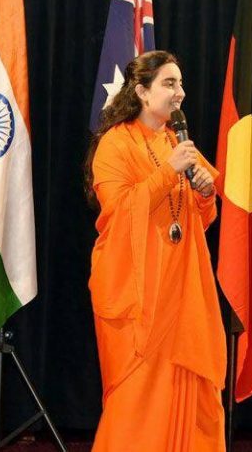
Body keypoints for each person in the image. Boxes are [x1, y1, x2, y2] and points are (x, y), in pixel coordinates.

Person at [84, 50, 226, 451]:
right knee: (137, 400)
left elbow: (200, 216)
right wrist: (169, 171)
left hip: (183, 292)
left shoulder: (176, 142)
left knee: (196, 394)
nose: (179, 92)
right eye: (169, 83)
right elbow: (118, 213)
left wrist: (204, 193)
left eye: (180, 84)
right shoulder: (115, 144)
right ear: (142, 92)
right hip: (136, 297)